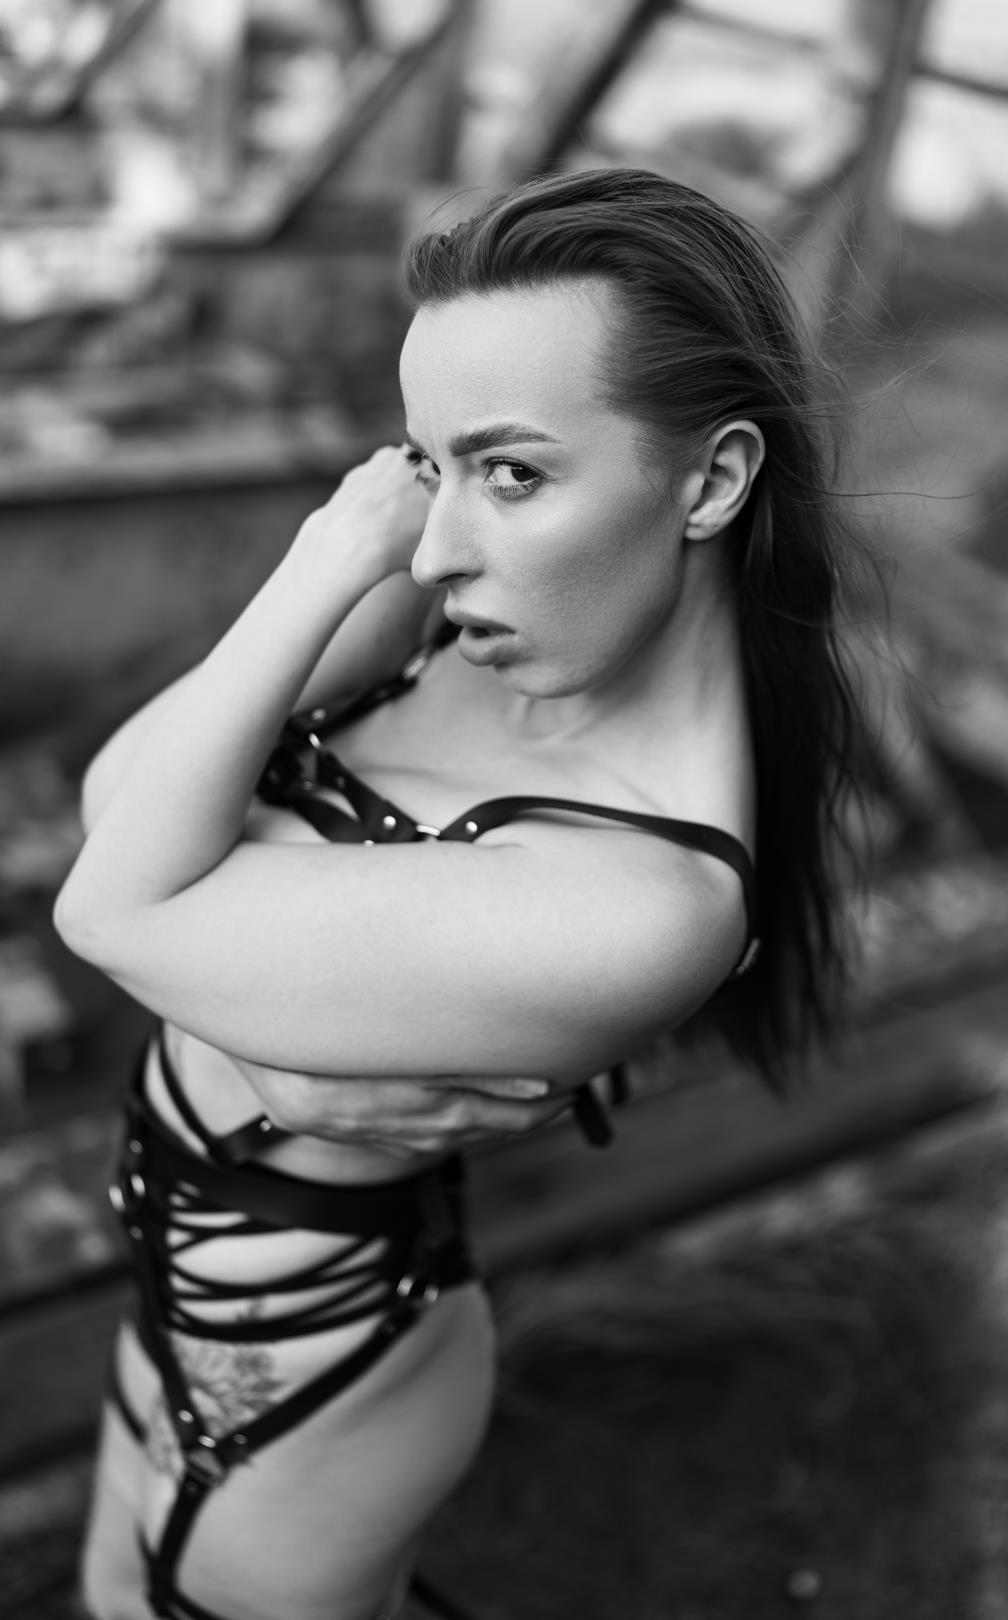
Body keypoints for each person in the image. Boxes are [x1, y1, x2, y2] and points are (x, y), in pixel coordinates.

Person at [54, 167, 860, 1620]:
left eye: (515, 473)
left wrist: (320, 580)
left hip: (320, 1392)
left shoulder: (648, 904)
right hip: (187, 1294)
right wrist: (337, 569)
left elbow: (111, 911)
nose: (430, 547)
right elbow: (117, 800)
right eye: (427, 466)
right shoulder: (456, 614)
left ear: (711, 482)